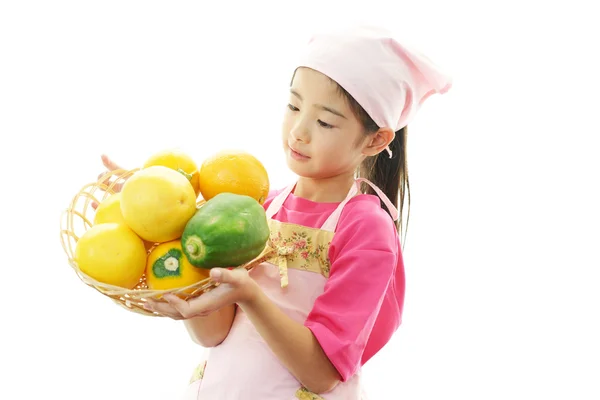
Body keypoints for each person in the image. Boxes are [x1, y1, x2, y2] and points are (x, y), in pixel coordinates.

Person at [96, 25, 451, 399]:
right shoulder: (262, 206)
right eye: (294, 106)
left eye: (325, 121)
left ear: (376, 139)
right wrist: (154, 224)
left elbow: (323, 373)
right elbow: (214, 334)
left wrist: (251, 295)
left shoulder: (366, 229)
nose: (298, 131)